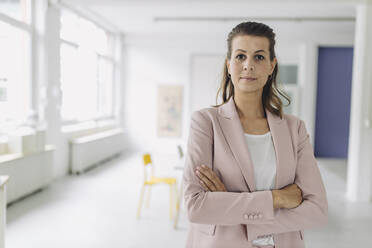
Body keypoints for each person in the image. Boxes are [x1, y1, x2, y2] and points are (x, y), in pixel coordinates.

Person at [182, 21, 328, 248]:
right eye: (240, 56)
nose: (248, 65)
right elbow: (196, 206)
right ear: (229, 64)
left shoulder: (294, 128)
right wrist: (276, 199)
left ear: (272, 66)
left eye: (259, 57)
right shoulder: (205, 122)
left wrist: (230, 204)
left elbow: (317, 210)